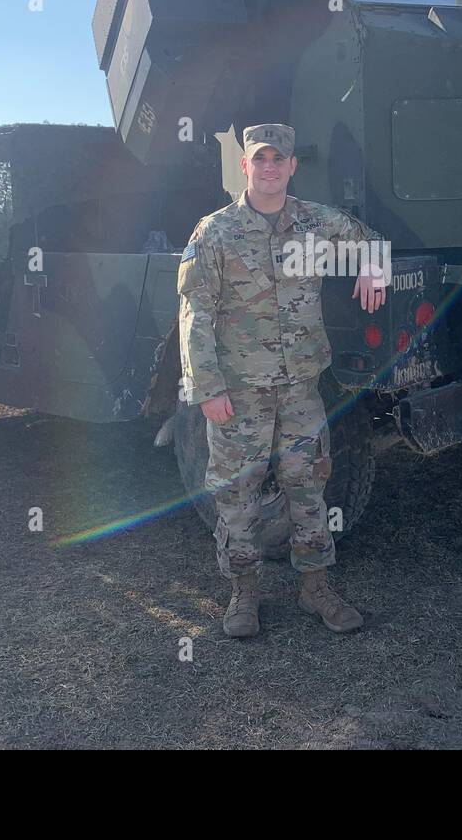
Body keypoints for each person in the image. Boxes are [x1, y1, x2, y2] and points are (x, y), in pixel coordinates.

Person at [177, 123, 387, 637]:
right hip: (239, 391)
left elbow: (372, 240)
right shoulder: (215, 231)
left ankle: (316, 589)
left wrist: (372, 268)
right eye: (260, 159)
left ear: (293, 167)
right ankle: (242, 594)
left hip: (300, 390)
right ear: (245, 166)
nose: (270, 167)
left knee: (309, 484)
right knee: (237, 493)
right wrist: (207, 388)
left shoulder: (315, 221)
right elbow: (194, 312)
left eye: (279, 159)